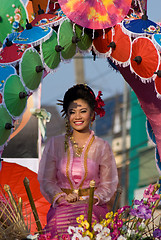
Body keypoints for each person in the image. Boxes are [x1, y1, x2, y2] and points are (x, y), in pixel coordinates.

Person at [38, 84, 118, 239]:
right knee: (57, 222)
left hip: (92, 208)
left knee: (86, 218)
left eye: (83, 111)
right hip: (62, 206)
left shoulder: (102, 146)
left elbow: (109, 185)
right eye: (72, 112)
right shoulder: (54, 144)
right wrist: (61, 197)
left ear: (92, 113)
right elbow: (47, 180)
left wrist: (89, 200)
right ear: (67, 115)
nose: (77, 116)